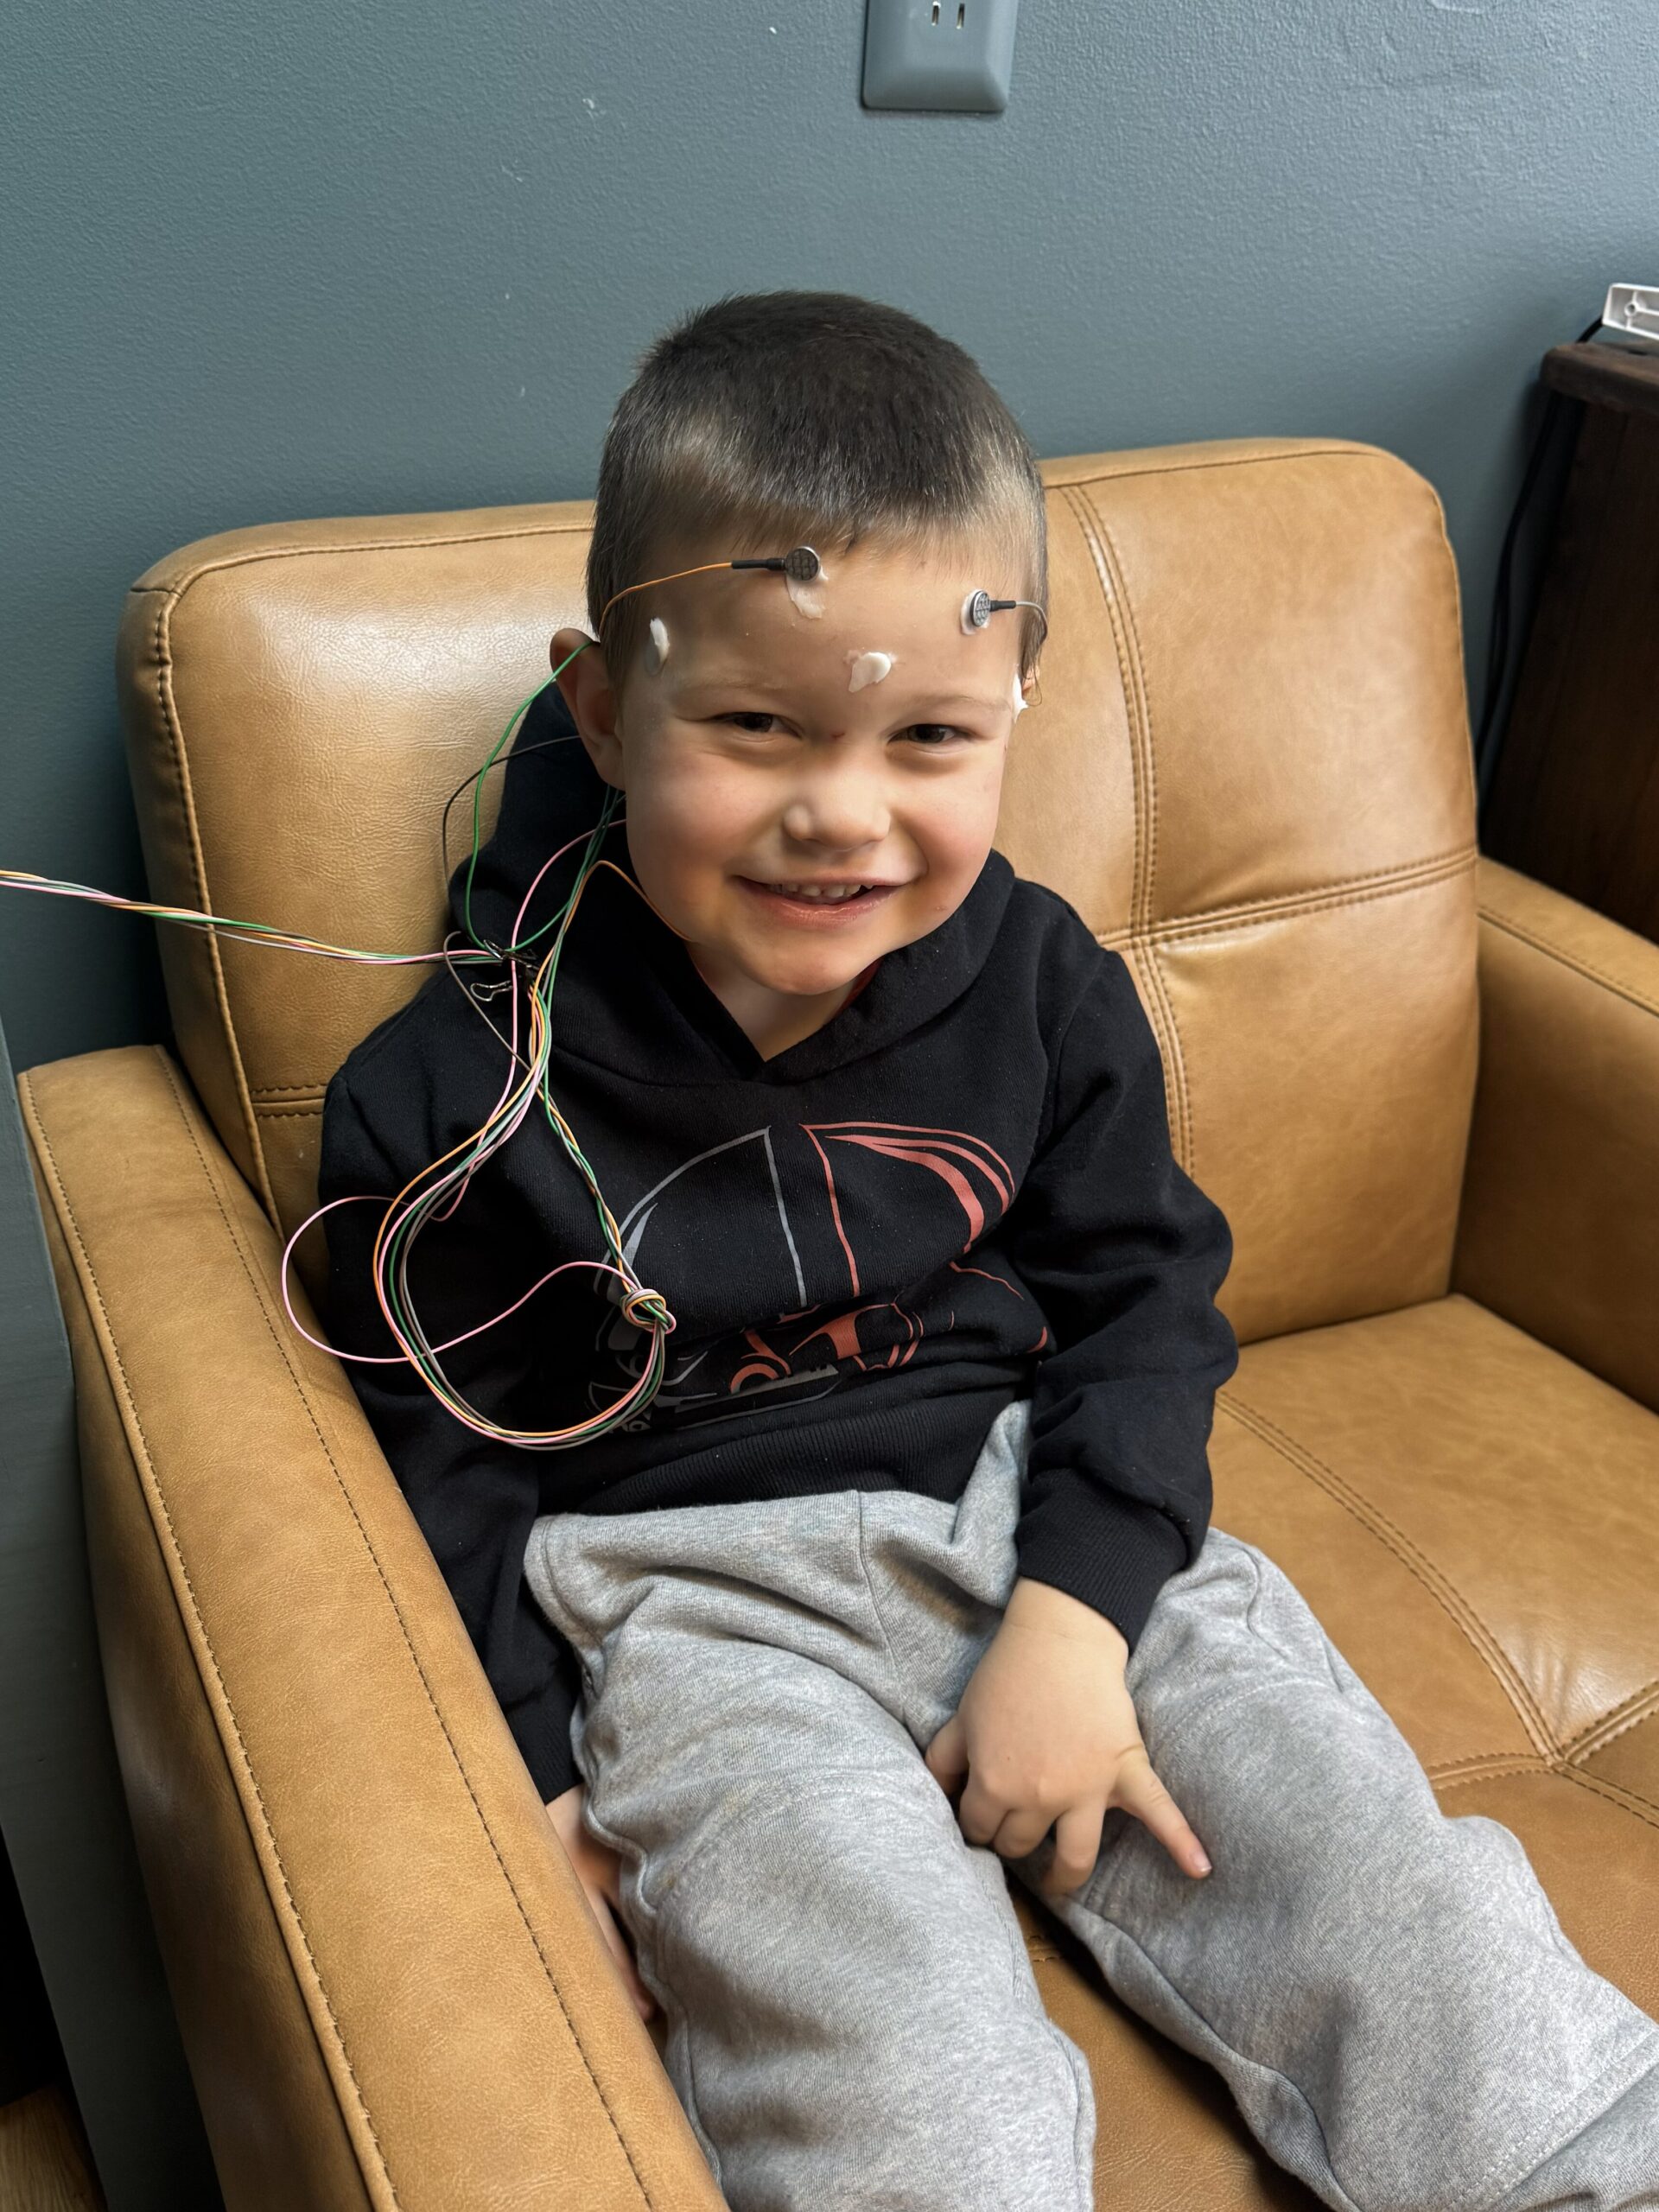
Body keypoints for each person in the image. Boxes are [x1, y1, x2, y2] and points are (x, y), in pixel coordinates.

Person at [318, 290, 1659, 2211]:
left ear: (1014, 710)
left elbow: (1145, 1302)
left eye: (929, 734)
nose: (839, 813)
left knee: (1393, 1909)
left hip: (1038, 1495)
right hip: (695, 1610)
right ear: (608, 709)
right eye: (757, 724)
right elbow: (437, 1463)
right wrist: (530, 1783)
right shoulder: (445, 1089)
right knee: (905, 2089)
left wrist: (1084, 1613)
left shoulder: (1043, 983)